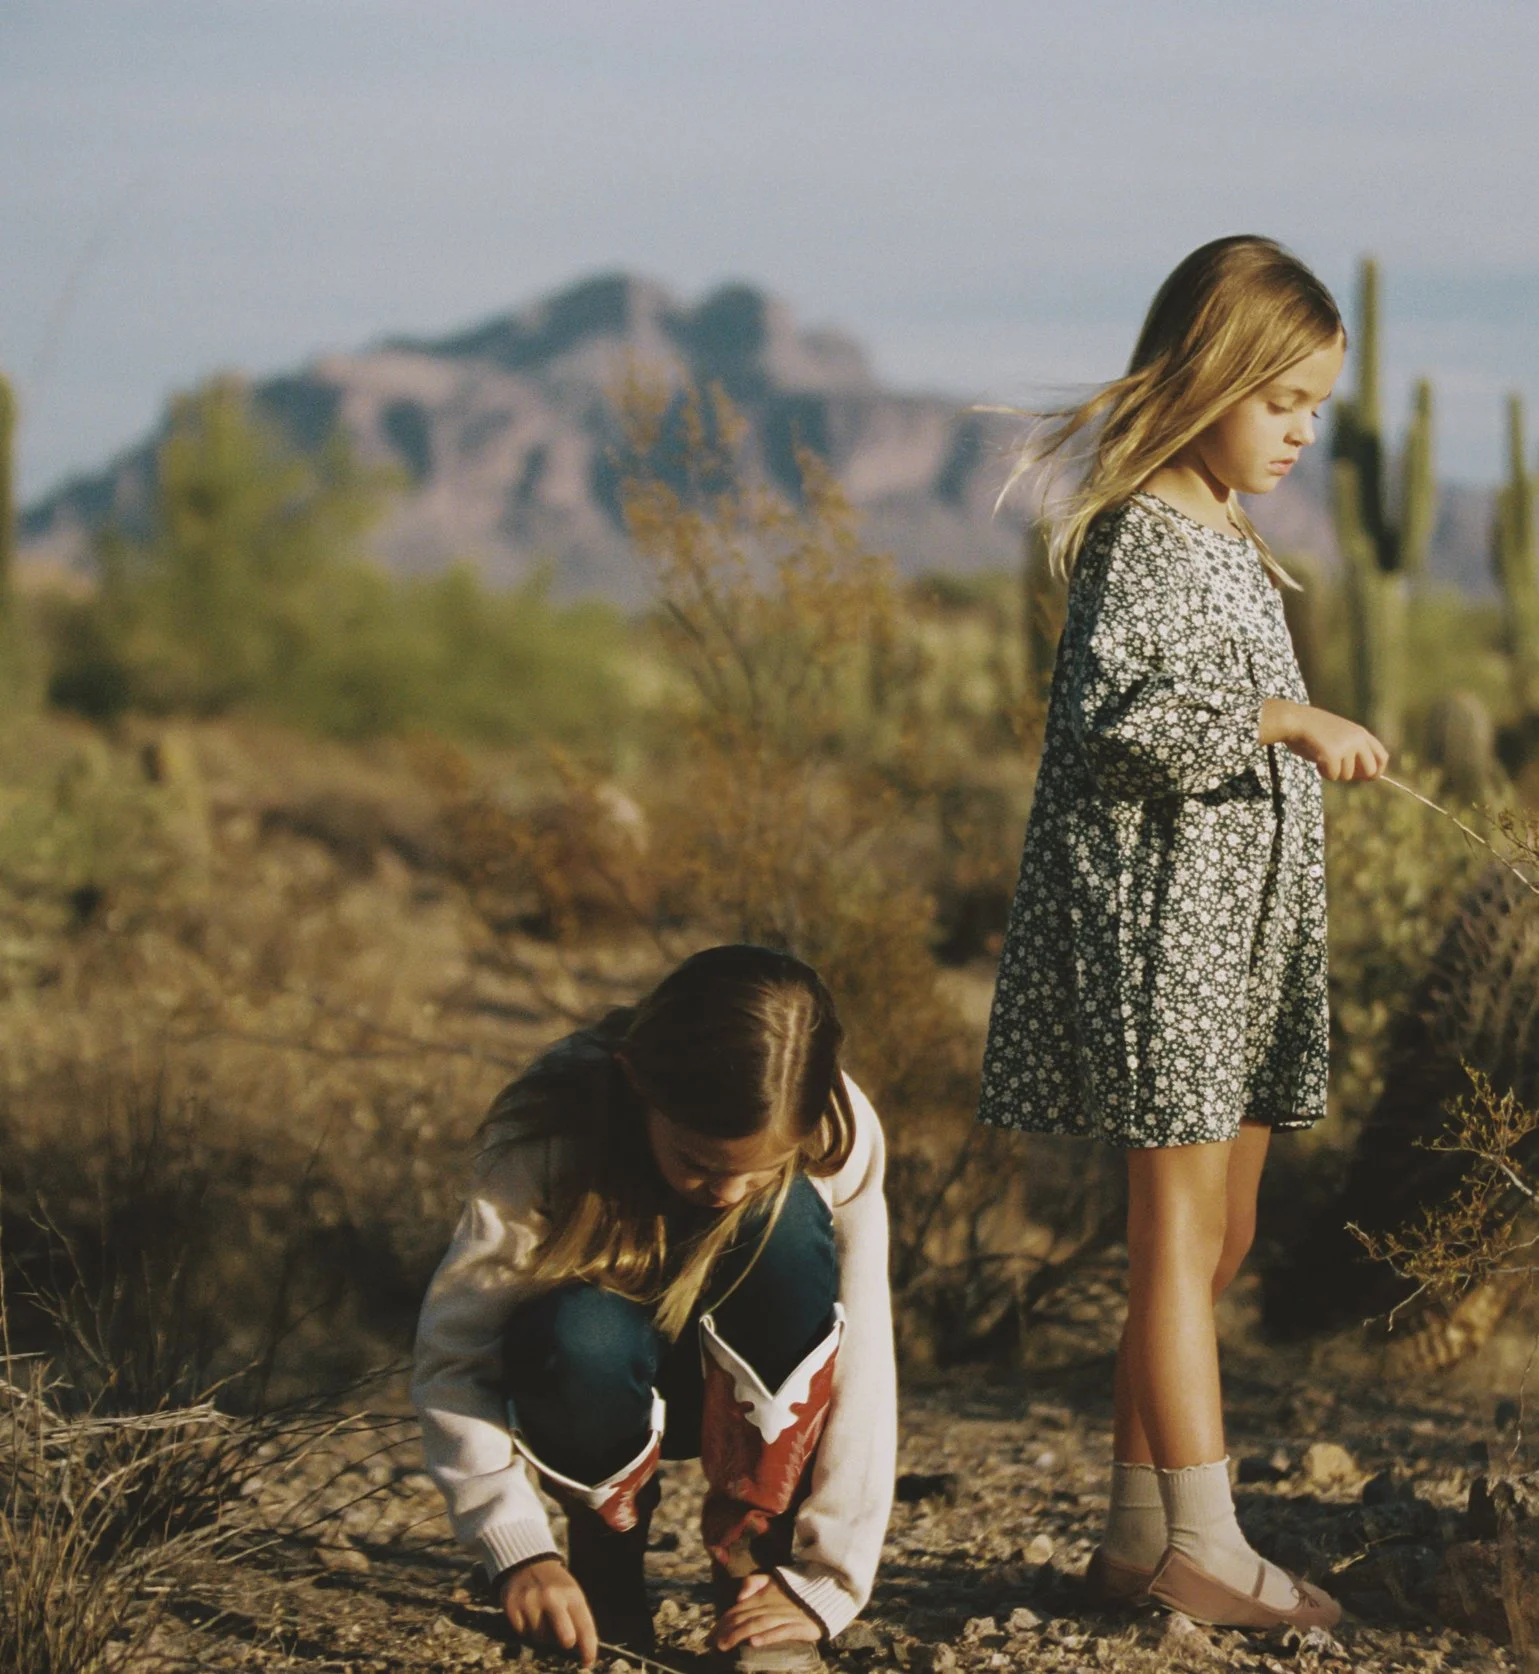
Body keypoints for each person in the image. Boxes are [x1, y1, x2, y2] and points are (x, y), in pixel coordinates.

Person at [978, 234, 1387, 1632]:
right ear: (1210, 375)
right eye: (1283, 402)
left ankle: (1134, 1532)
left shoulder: (1224, 533)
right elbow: (1115, 728)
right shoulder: (1144, 532)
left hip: (1244, 942)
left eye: (1318, 410)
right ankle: (1206, 1544)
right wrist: (1287, 718)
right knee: (1174, 1238)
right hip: (1165, 936)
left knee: (1221, 1240)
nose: (1302, 433)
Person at [411, 944, 895, 1672]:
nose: (725, 1192)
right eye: (698, 1162)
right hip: (599, 1395)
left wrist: (827, 1583)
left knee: (786, 1222)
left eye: (754, 1170)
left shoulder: (836, 1128)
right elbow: (455, 1355)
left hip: (748, 1402)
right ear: (639, 1085)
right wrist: (517, 1550)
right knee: (580, 1332)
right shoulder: (551, 1130)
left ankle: (751, 1573)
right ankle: (604, 1571)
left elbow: (861, 1361)